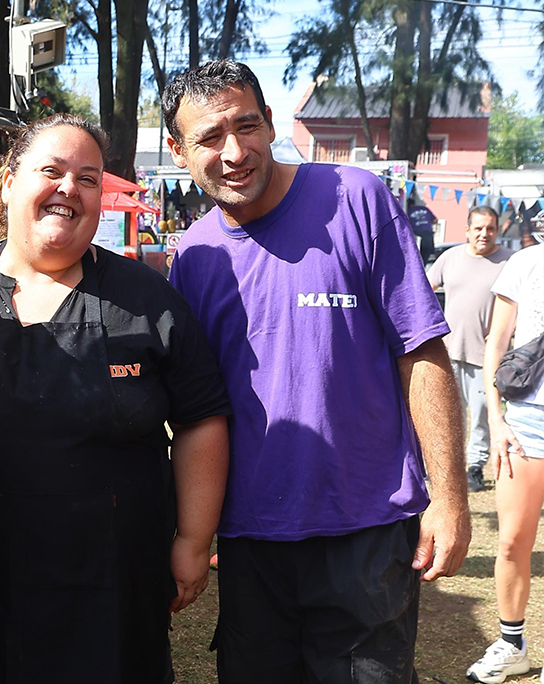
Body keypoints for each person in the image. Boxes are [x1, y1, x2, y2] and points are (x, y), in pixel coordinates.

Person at [163, 60, 471, 683]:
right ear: (178, 151)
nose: (234, 152)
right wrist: (192, 531)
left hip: (367, 530)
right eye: (209, 138)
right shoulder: (193, 255)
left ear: (271, 121)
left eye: (246, 126)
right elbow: (195, 411)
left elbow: (421, 351)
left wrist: (450, 498)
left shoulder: (356, 199)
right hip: (251, 540)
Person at [0, 114, 231, 684]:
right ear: (7, 183)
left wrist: (192, 540)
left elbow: (201, 418)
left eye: (88, 179)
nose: (70, 188)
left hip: (111, 593)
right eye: (52, 171)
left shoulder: (146, 300)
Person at [465, 239, 544, 683]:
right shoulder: (526, 262)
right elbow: (495, 342)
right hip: (526, 422)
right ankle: (512, 646)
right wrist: (495, 421)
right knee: (513, 541)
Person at [426, 206, 512, 492]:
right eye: (478, 228)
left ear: (497, 231)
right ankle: (444, 468)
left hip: (485, 357)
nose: (484, 234)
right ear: (467, 230)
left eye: (490, 228)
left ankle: (475, 468)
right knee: (447, 415)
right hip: (447, 352)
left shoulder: (509, 262)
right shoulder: (449, 258)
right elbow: (424, 290)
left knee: (481, 416)